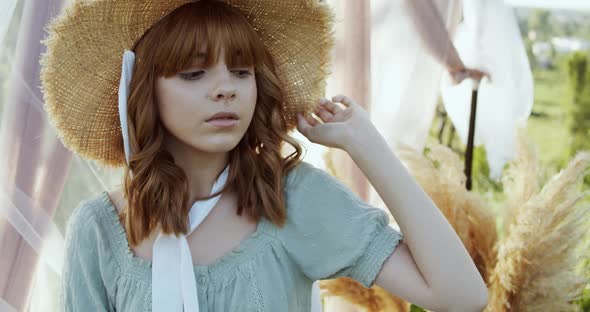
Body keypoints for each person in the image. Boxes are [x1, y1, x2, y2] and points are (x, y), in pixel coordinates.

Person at [40, 0, 488, 311]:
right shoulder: (99, 231)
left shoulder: (293, 200)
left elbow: (462, 296)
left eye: (241, 70)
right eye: (194, 73)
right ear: (144, 92)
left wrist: (367, 146)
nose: (226, 88)